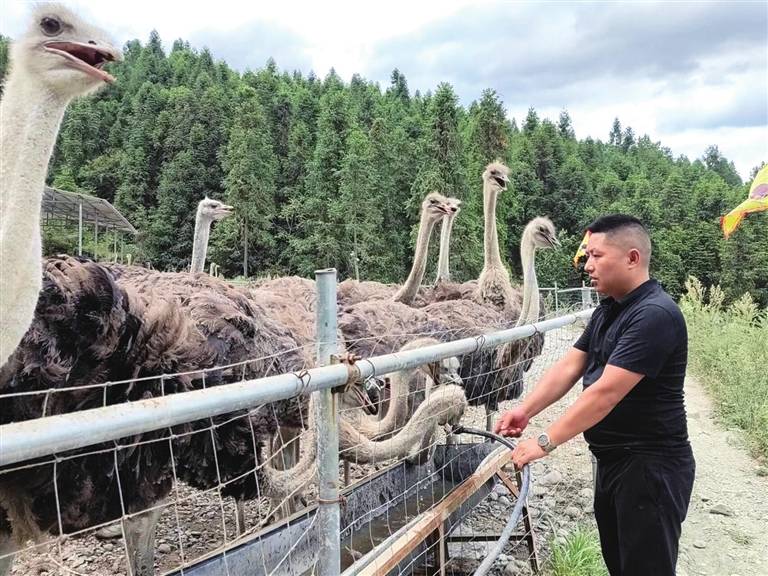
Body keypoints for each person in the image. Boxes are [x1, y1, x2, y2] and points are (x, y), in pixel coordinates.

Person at [495, 214, 695, 576]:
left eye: (596, 256)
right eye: (587, 256)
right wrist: (526, 410)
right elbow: (570, 366)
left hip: (650, 467)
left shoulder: (654, 315)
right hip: (615, 462)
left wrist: (544, 440)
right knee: (620, 564)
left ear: (632, 258)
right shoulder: (610, 309)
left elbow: (605, 393)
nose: (587, 265)